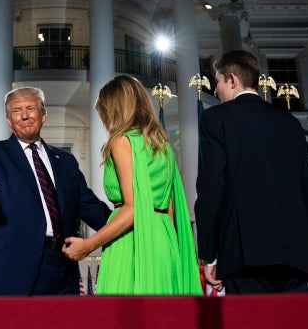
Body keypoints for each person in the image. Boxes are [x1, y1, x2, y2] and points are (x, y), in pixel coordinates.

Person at [62, 75, 203, 295]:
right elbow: (170, 209)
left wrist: (88, 245)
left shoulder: (122, 141)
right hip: (164, 240)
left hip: (132, 240)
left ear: (114, 109)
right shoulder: (162, 143)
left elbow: (133, 207)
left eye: (103, 112)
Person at [195, 49, 308, 294]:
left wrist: (209, 253)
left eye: (217, 81)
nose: (214, 90)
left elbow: (211, 188)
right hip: (294, 256)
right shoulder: (290, 123)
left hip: (243, 255)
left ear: (232, 79)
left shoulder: (215, 119)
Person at [0, 86, 111, 295]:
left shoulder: (66, 161)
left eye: (30, 108)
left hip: (61, 264)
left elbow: (89, 206)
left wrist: (125, 223)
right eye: (16, 111)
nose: (24, 116)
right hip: (10, 263)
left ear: (43, 115)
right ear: (8, 120)